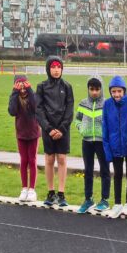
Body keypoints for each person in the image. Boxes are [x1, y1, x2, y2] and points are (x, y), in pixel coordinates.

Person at [35, 56, 74, 207]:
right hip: (48, 129)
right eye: (53, 67)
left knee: (62, 159)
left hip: (63, 129)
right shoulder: (41, 86)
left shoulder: (67, 86)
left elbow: (69, 109)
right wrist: (49, 128)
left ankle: (61, 194)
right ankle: (51, 193)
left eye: (59, 67)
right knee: (49, 160)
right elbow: (39, 110)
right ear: (48, 69)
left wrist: (62, 129)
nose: (56, 70)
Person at [75, 76, 111, 214]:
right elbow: (77, 120)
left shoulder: (107, 104)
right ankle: (88, 199)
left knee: (105, 170)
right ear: (88, 89)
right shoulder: (83, 103)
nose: (94, 92)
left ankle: (105, 200)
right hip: (87, 142)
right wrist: (82, 129)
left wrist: (106, 135)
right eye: (92, 89)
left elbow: (111, 122)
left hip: (102, 142)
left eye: (97, 89)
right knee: (88, 171)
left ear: (101, 89)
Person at [102, 76, 127, 219]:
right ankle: (117, 204)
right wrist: (107, 149)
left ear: (124, 91)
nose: (116, 94)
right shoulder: (107, 104)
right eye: (114, 91)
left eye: (119, 91)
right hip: (115, 145)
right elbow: (104, 127)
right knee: (117, 174)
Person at [8, 75, 41, 202]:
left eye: (24, 85)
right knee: (23, 160)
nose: (22, 89)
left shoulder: (32, 95)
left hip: (33, 133)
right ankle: (24, 189)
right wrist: (14, 92)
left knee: (32, 160)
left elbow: (35, 107)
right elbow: (12, 111)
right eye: (19, 86)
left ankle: (32, 190)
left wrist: (30, 91)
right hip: (21, 134)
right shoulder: (15, 97)